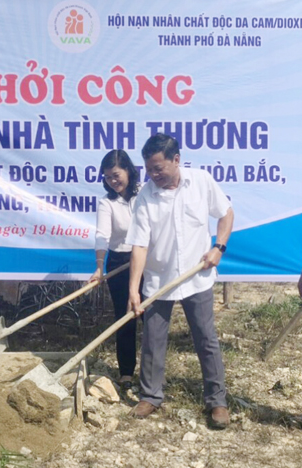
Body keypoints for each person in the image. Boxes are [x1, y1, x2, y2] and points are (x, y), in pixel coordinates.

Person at [125, 133, 234, 429]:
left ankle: (217, 401)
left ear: (176, 160)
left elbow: (226, 214)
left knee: (205, 338)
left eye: (158, 168)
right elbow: (139, 245)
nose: (153, 175)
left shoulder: (201, 182)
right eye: (148, 169)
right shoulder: (145, 196)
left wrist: (218, 247)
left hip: (196, 277)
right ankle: (150, 396)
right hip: (159, 279)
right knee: (153, 340)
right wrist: (133, 289)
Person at [89, 149, 141, 390]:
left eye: (116, 175)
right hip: (120, 262)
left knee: (151, 315)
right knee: (125, 316)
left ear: (129, 171)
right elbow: (102, 235)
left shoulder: (145, 195)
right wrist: (99, 267)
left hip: (148, 260)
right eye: (108, 177)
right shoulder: (106, 203)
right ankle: (127, 372)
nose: (113, 181)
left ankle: (151, 373)